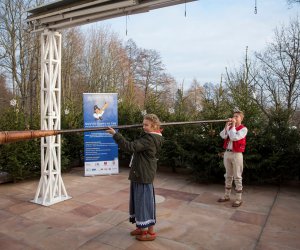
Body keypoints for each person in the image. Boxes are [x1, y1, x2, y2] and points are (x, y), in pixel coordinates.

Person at [106, 114, 163, 241]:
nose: (143, 127)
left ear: (154, 126)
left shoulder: (150, 139)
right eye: (142, 124)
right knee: (138, 201)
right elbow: (138, 144)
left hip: (143, 175)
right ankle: (141, 226)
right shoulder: (150, 136)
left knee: (144, 203)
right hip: (140, 173)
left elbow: (130, 146)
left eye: (146, 125)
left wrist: (115, 134)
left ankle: (149, 233)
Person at [218, 110, 248, 207]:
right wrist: (227, 125)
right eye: (233, 116)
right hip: (227, 153)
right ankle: (227, 196)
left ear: (241, 118)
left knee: (237, 176)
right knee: (228, 175)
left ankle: (238, 199)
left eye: (237, 116)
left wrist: (233, 125)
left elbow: (234, 137)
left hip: (237, 154)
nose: (234, 118)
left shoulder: (244, 129)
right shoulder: (231, 127)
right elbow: (223, 135)